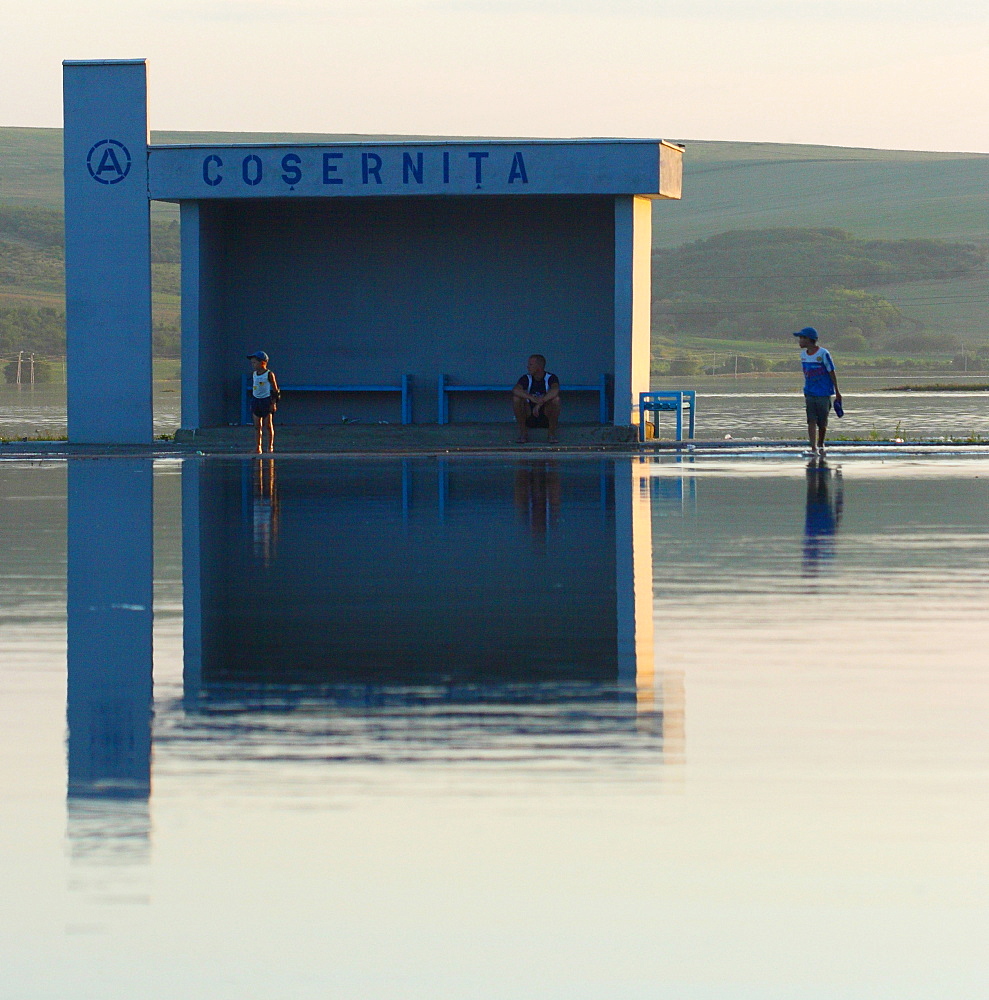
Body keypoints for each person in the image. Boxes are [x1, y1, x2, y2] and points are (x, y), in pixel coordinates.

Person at [793, 326, 841, 456]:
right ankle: (813, 448)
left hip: (824, 392)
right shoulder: (803, 355)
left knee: (822, 422)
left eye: (801, 338)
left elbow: (831, 372)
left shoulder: (823, 354)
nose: (799, 341)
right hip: (810, 392)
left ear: (809, 339)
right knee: (811, 420)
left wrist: (837, 391)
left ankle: (820, 443)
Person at [512, 354, 561, 444]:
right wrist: (531, 398)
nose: (528, 367)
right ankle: (523, 433)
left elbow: (555, 390)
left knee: (556, 400)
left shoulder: (550, 377)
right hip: (529, 414)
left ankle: (551, 434)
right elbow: (516, 390)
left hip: (545, 414)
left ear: (539, 366)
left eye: (530, 365)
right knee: (516, 399)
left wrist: (540, 403)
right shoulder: (526, 378)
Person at [247, 351, 280, 454]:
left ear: (263, 363)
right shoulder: (254, 374)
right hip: (256, 400)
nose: (253, 365)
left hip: (266, 400)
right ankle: (258, 447)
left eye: (255, 363)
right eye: (252, 363)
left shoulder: (269, 374)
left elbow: (275, 390)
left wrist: (274, 402)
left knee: (268, 425)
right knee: (257, 425)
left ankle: (270, 447)